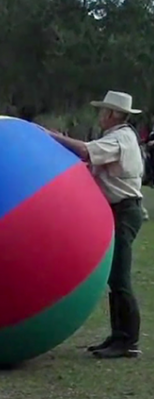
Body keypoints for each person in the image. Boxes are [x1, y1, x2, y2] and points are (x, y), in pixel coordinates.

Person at [47, 91, 144, 359]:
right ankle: (118, 336)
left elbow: (84, 150)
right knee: (115, 277)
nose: (100, 115)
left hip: (125, 211)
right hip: (116, 210)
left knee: (121, 278)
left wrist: (51, 136)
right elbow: (87, 162)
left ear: (112, 114)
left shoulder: (121, 138)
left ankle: (129, 341)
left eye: (103, 111)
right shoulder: (115, 137)